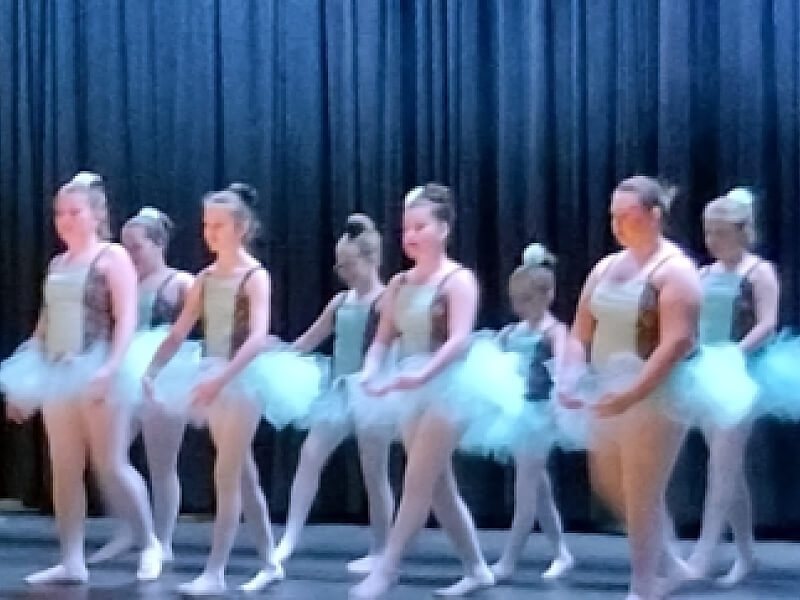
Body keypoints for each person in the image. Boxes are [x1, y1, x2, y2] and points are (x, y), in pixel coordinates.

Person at [0, 172, 163, 583]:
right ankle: (72, 559)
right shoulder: (58, 264)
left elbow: (126, 318)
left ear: (96, 214)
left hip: (98, 367)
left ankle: (150, 542)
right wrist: (25, 380)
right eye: (60, 213)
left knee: (111, 464)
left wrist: (109, 369)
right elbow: (45, 323)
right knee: (65, 467)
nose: (66, 220)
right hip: (57, 369)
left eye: (75, 212)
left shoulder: (112, 258)